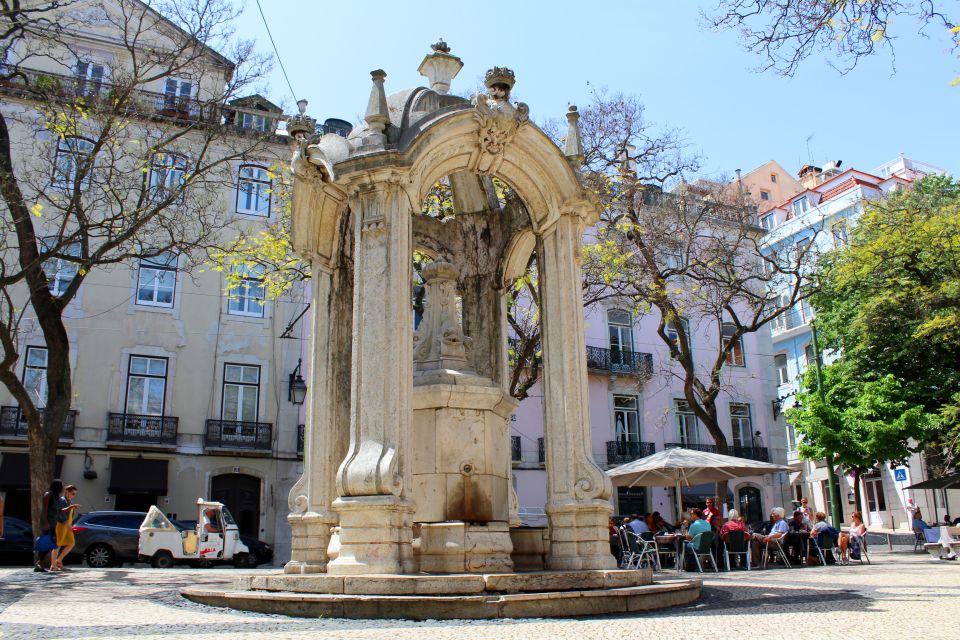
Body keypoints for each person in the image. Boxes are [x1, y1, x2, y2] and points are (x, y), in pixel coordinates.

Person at [36, 479, 66, 572]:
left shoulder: (57, 497)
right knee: (49, 542)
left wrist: (70, 507)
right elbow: (44, 509)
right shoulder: (48, 494)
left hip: (53, 523)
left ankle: (39, 562)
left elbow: (59, 511)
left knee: (50, 542)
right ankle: (39, 562)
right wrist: (45, 522)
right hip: (47, 523)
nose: (62, 487)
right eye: (61, 485)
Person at [52, 485, 80, 571]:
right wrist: (69, 525)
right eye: (72, 493)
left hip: (67, 525)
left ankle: (58, 561)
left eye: (74, 494)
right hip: (61, 525)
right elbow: (61, 514)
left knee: (71, 543)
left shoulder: (69, 501)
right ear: (67, 491)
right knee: (57, 545)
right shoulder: (62, 500)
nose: (73, 495)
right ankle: (53, 565)